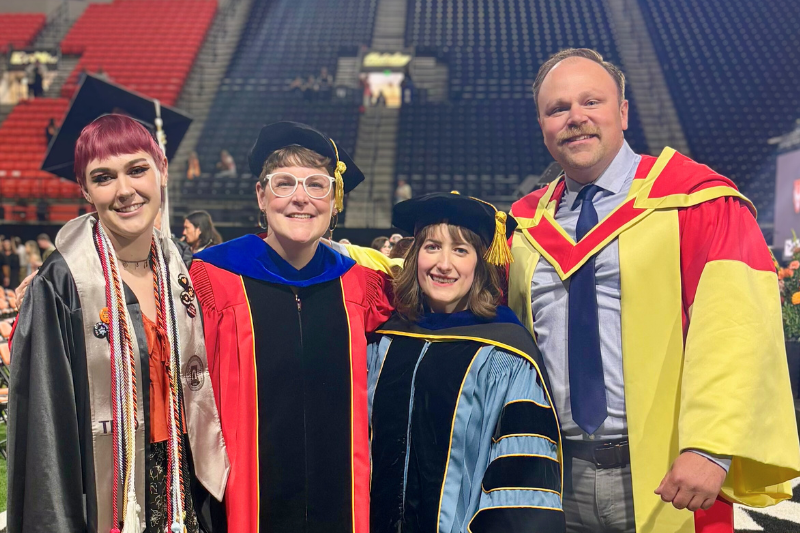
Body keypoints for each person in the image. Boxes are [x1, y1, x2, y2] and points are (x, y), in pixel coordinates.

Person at [506, 48, 800, 533]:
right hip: (550, 471)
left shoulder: (700, 202)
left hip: (667, 471)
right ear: (542, 125)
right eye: (558, 109)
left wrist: (710, 446)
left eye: (591, 102)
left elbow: (737, 329)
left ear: (622, 112)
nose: (575, 118)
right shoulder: (522, 224)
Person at [8, 114, 228, 533]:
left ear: (162, 170)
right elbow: (46, 435)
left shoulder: (186, 269)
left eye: (138, 169)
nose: (125, 190)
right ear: (85, 190)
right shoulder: (62, 286)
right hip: (108, 498)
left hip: (185, 491)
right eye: (104, 177)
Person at [189, 121, 394, 532]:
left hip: (342, 504)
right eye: (284, 184)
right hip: (242, 503)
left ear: (334, 201)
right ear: (261, 196)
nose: (301, 198)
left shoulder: (360, 287)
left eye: (317, 185)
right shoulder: (215, 281)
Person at [369, 192, 564, 533]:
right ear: (415, 257)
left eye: (460, 250)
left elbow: (520, 484)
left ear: (480, 262)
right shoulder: (386, 340)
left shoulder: (506, 355)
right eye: (432, 247)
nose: (444, 264)